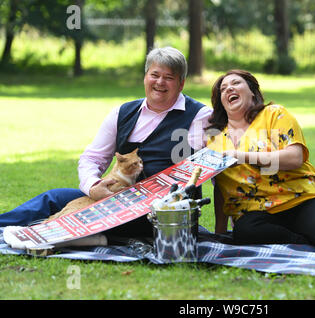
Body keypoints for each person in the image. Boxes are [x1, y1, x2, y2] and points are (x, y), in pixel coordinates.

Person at [0, 47, 212, 238]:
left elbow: (220, 164)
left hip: (161, 211)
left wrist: (225, 221)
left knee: (85, 217)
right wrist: (93, 187)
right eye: (154, 75)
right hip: (116, 198)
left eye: (169, 77)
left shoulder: (200, 116)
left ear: (182, 83)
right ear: (145, 77)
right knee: (54, 198)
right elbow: (92, 158)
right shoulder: (122, 113)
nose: (160, 82)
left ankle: (63, 235)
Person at [206, 69, 315, 264]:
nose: (229, 89)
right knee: (245, 231)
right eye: (223, 88)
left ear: (252, 91)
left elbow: (295, 157)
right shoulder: (215, 141)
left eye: (236, 83)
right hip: (257, 214)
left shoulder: (274, 114)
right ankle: (308, 241)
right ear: (221, 102)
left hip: (303, 197)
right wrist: (220, 234)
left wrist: (242, 156)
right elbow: (222, 187)